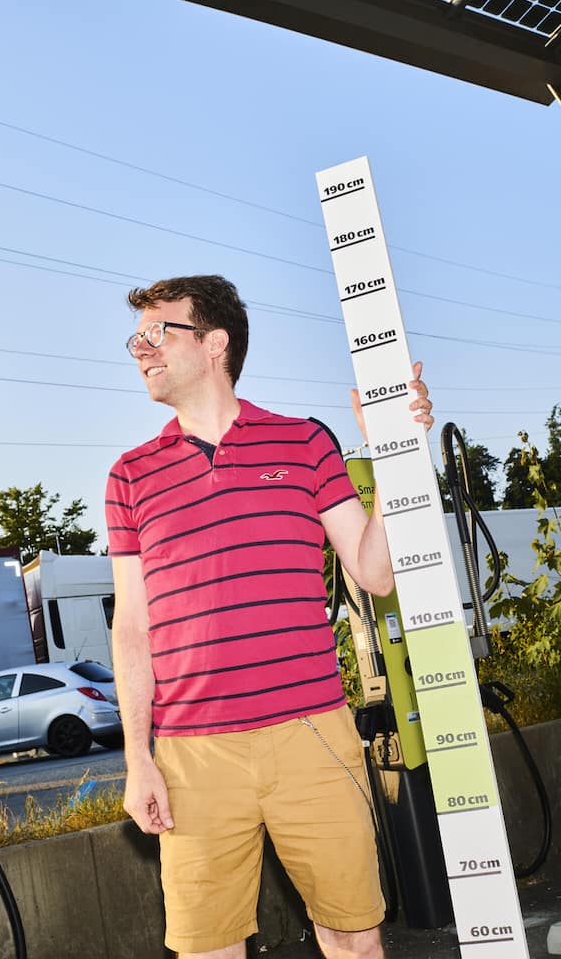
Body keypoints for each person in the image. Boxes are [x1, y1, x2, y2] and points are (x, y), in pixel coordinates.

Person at [104, 275, 434, 959]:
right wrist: (139, 760)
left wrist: (402, 454)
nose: (140, 349)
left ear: (214, 342)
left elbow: (373, 572)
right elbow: (132, 628)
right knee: (208, 950)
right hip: (192, 754)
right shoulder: (129, 475)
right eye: (135, 337)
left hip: (310, 735)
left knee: (353, 937)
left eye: (157, 332)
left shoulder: (305, 443)